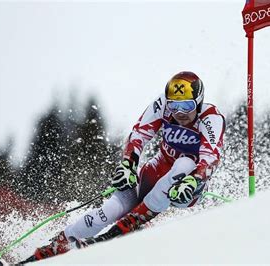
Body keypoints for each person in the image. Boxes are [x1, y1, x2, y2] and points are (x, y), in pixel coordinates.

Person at [26, 71, 225, 262]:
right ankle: (50, 250)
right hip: (158, 170)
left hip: (189, 187)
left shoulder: (210, 117)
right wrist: (128, 165)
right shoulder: (162, 105)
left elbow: (210, 156)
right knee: (110, 209)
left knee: (185, 162)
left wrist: (195, 178)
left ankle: (119, 231)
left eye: (187, 106)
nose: (180, 113)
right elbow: (139, 134)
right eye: (174, 106)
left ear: (198, 102)